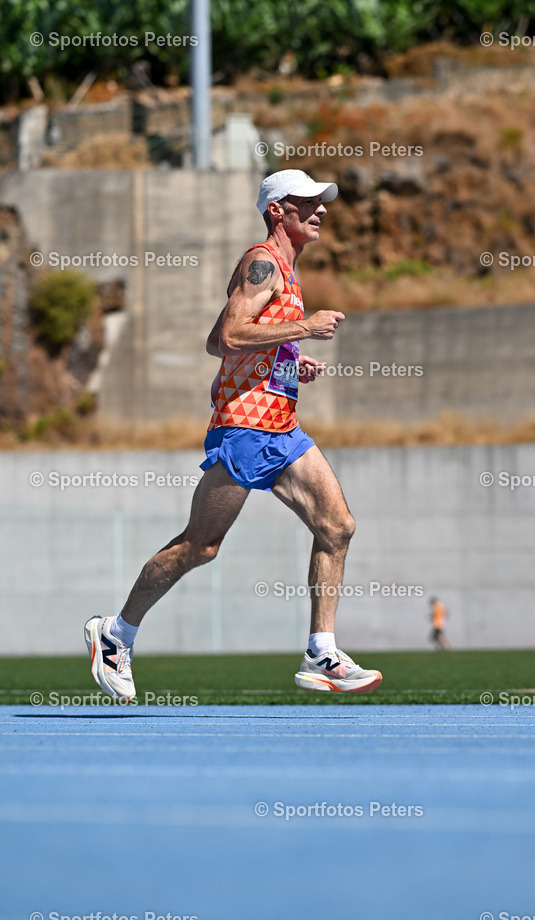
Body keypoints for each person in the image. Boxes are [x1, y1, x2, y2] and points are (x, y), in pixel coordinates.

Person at [85, 169, 382, 699]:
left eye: (321, 202)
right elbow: (229, 336)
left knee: (337, 527)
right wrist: (304, 328)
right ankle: (116, 631)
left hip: (282, 429)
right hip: (244, 427)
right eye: (307, 202)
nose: (321, 210)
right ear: (277, 211)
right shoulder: (261, 262)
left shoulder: (282, 272)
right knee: (201, 546)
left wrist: (290, 360)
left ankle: (322, 652)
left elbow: (218, 343)